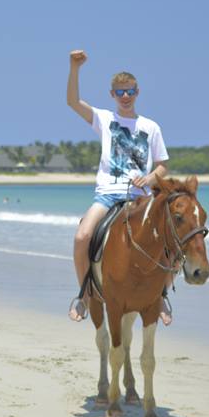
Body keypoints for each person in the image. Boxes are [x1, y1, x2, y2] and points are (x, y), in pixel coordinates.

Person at [66, 49, 172, 324]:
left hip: (141, 197)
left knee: (172, 240)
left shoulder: (151, 127)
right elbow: (72, 101)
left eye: (130, 91)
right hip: (107, 195)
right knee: (81, 237)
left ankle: (160, 295)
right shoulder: (104, 119)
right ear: (112, 94)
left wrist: (149, 179)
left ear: (138, 93)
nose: (126, 96)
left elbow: (162, 166)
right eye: (120, 92)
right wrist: (74, 68)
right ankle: (85, 294)